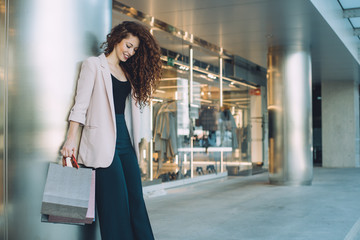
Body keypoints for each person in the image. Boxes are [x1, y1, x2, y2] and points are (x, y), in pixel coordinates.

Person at [60, 21, 162, 240]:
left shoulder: (128, 71)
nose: (130, 52)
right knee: (116, 205)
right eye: (128, 46)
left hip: (124, 140)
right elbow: (81, 105)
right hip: (101, 142)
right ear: (117, 39)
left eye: (134, 49)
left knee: (136, 199)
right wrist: (70, 140)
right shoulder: (93, 65)